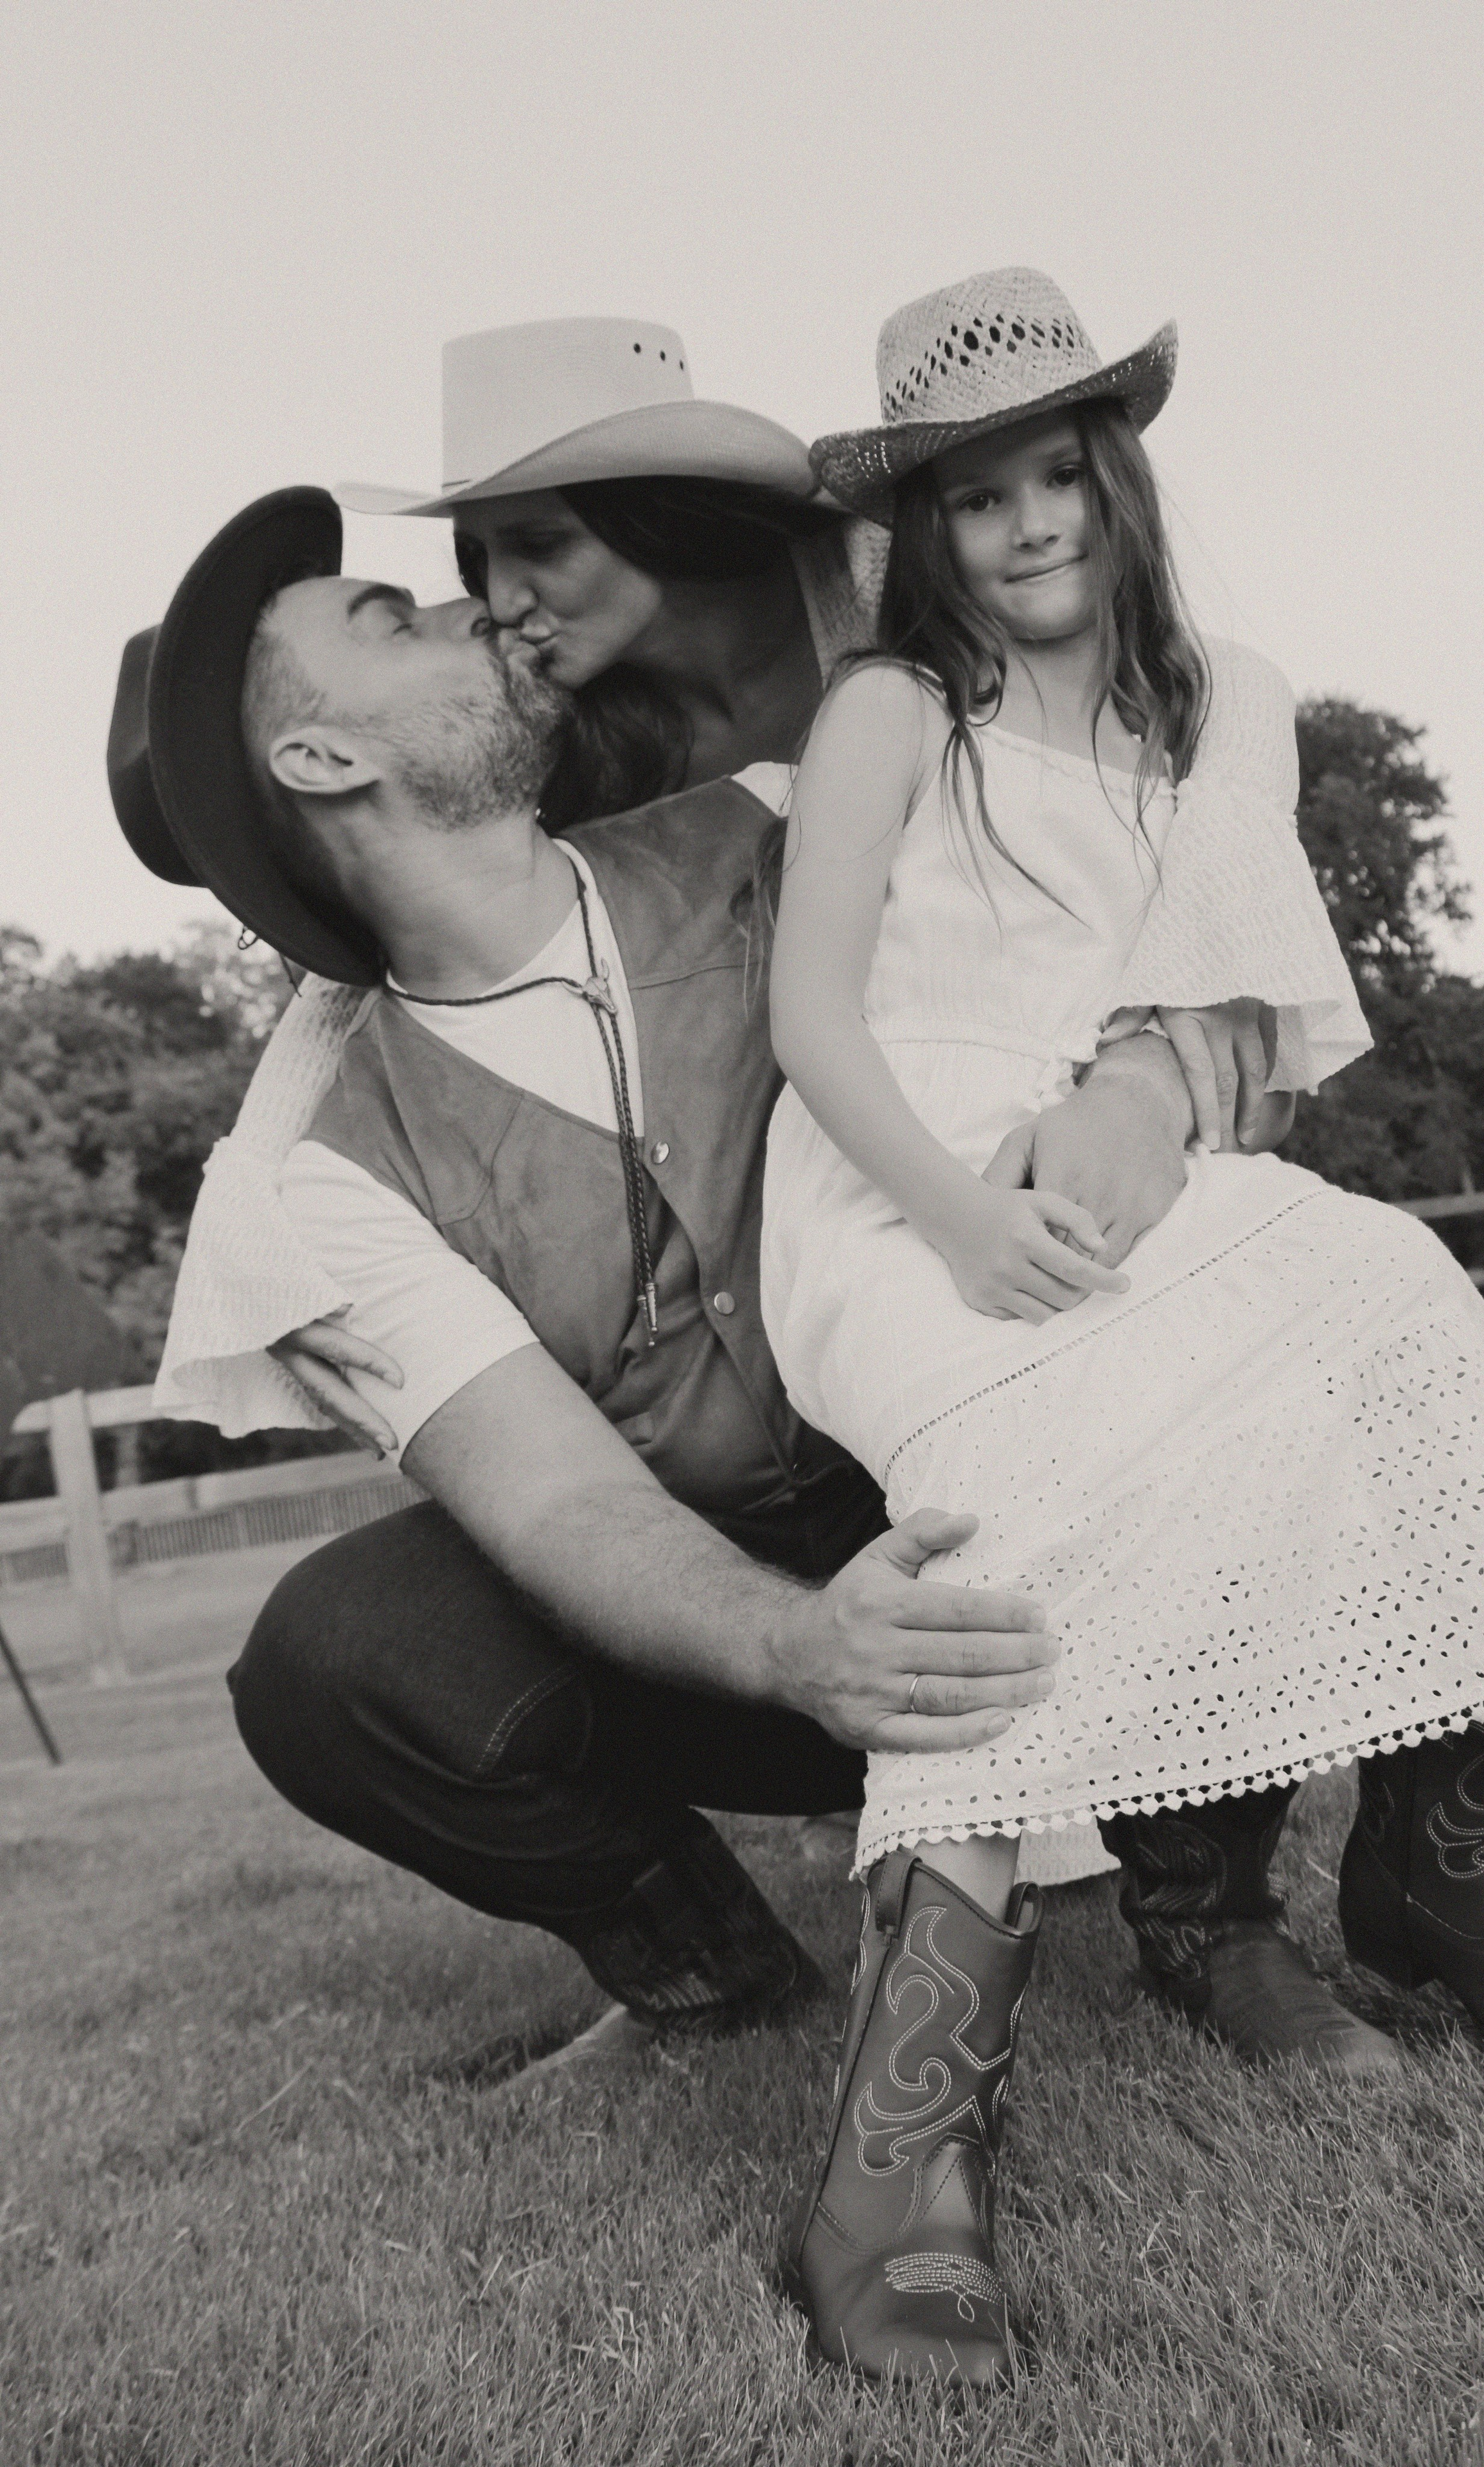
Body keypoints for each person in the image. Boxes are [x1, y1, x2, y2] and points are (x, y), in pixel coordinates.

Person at [760, 268, 1484, 2386]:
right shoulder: (893, 718)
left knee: (1399, 1296)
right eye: (978, 499)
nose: (1031, 524)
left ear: (1118, 481)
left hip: (1119, 1185)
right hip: (900, 1200)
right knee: (1025, 1472)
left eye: (1062, 475)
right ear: (926, 534)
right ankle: (903, 2161)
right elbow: (808, 1019)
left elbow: (1231, 1012)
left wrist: (1128, 1119)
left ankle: (1447, 1883)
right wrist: (966, 1216)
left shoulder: (1210, 704)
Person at [108, 484, 1250, 2082]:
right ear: (322, 759)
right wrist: (807, 1654)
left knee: (1204, 1304)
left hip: (1021, 1497)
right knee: (335, 1656)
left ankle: (1217, 1910)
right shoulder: (325, 1172)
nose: (472, 610)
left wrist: (1138, 1081)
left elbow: (1137, 911)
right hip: (733, 1639)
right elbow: (561, 1508)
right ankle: (714, 1986)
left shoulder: (772, 823)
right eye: (391, 620)